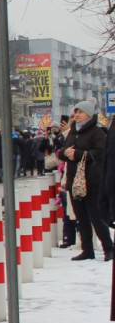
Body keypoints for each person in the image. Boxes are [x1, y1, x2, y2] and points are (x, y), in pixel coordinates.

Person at [62, 99, 112, 262]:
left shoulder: (97, 132)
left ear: (89, 114)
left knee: (96, 216)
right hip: (74, 181)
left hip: (92, 180)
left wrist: (78, 154)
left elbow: (100, 152)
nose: (76, 115)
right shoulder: (72, 131)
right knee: (81, 217)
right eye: (75, 112)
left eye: (80, 112)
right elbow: (63, 150)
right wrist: (64, 153)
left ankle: (108, 248)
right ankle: (87, 249)